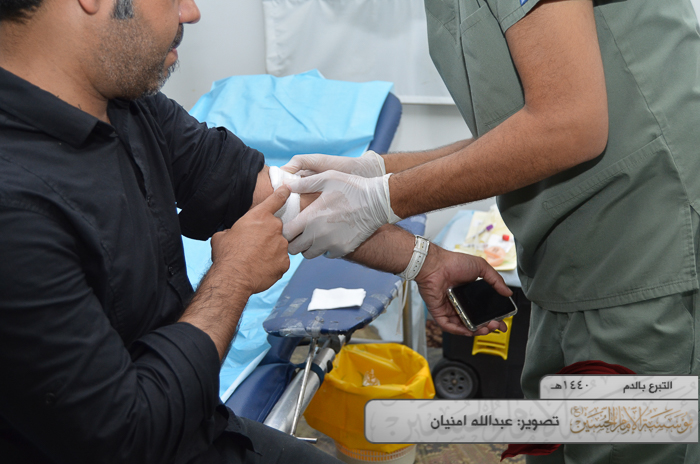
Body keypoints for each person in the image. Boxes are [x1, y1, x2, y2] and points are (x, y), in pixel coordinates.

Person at [0, 0, 512, 463]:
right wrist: (233, 279)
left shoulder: (126, 106)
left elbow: (274, 197)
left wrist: (426, 260)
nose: (191, 12)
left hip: (197, 424)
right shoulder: (16, 208)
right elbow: (127, 436)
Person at [281, 1, 700, 463]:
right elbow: (520, 129)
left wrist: (384, 197)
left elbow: (569, 125)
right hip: (570, 265)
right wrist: (380, 173)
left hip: (647, 255)